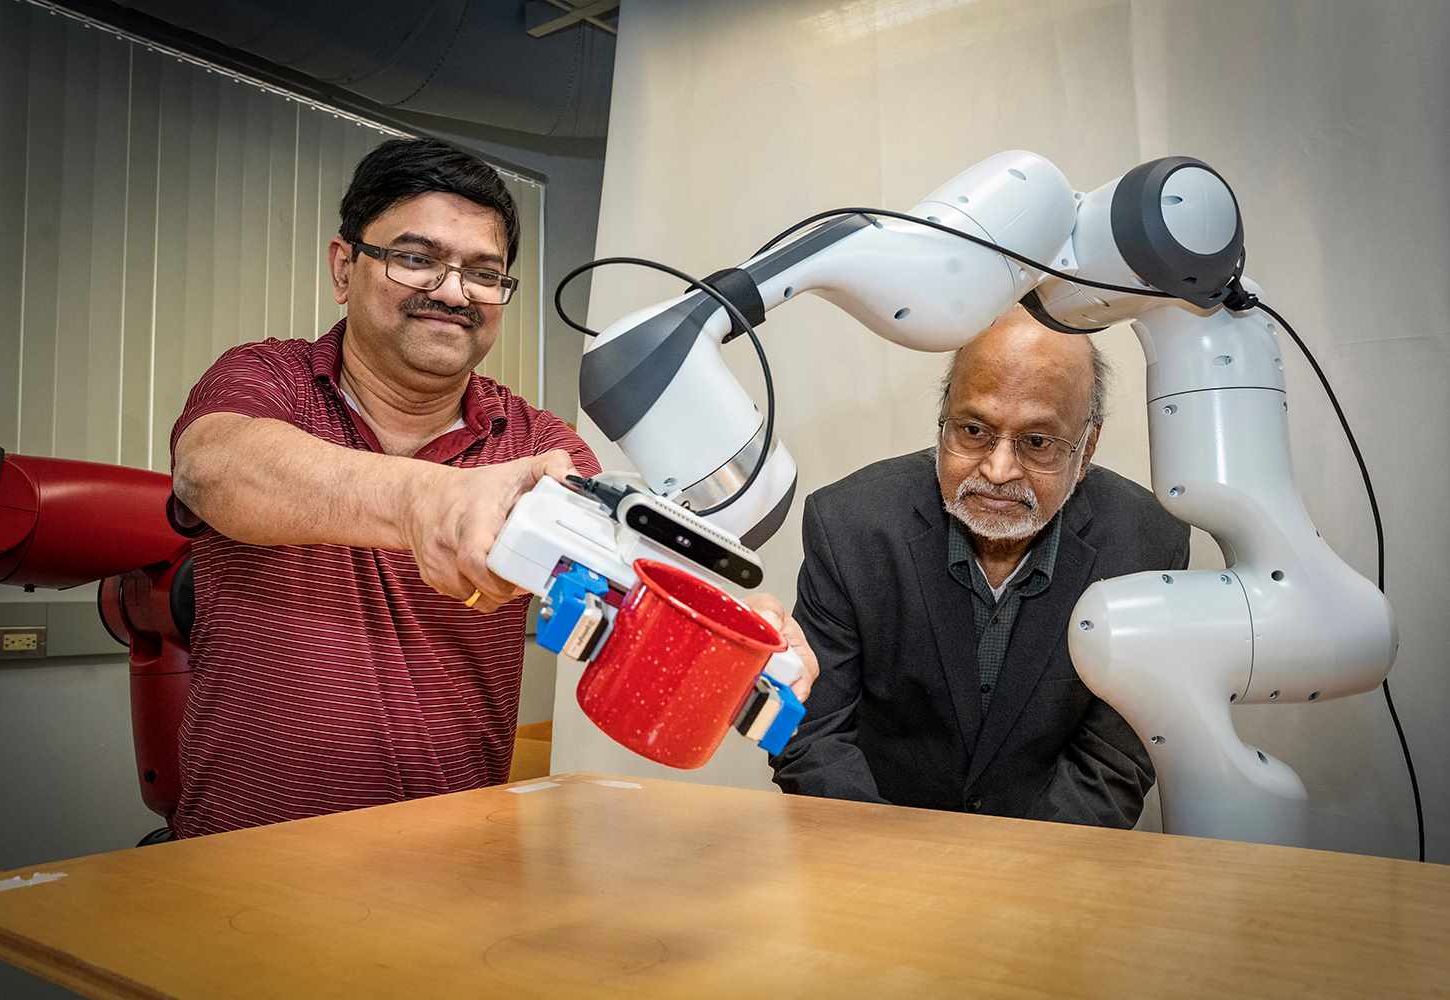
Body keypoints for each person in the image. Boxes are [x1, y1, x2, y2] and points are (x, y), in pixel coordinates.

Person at [169, 138, 814, 837]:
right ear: (344, 267)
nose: (453, 292)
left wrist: (742, 641)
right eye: (417, 259)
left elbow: (634, 591)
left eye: (484, 272)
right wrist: (428, 501)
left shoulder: (539, 447)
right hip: (248, 853)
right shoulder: (271, 380)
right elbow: (211, 470)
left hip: (457, 861)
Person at [770, 306, 1189, 828]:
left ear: (1087, 448)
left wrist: (1017, 882)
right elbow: (810, 733)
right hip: (872, 852)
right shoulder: (849, 526)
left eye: (1038, 442)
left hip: (1050, 867)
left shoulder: (1146, 544)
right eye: (973, 431)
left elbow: (1113, 761)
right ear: (943, 416)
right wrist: (887, 870)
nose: (997, 469)